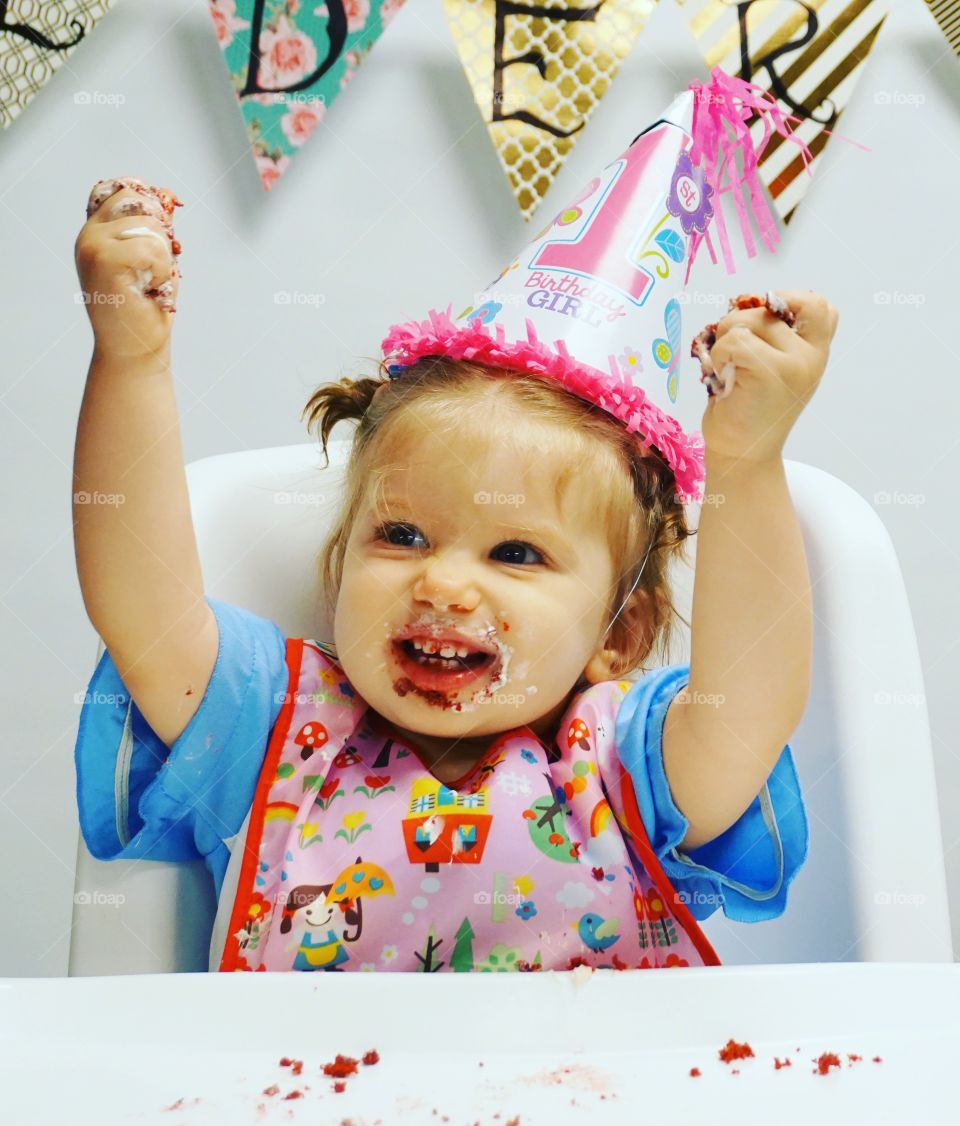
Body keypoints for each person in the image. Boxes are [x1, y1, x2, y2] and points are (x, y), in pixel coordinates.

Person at [72, 75, 835, 973]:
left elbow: (750, 706)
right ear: (337, 568)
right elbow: (140, 606)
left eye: (517, 552)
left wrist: (747, 462)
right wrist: (130, 357)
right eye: (400, 537)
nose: (441, 582)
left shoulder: (621, 768)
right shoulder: (278, 730)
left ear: (619, 632)